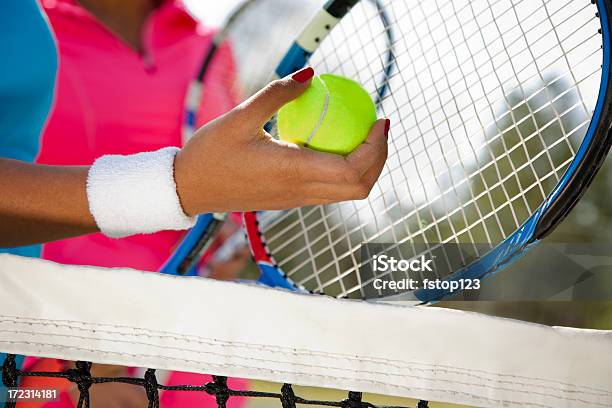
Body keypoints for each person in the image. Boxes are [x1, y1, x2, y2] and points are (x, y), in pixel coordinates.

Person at [0, 0, 389, 405]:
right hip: (61, 349)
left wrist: (221, 243)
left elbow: (217, 194)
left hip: (198, 366)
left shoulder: (209, 46)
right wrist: (53, 381)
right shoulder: (23, 25)